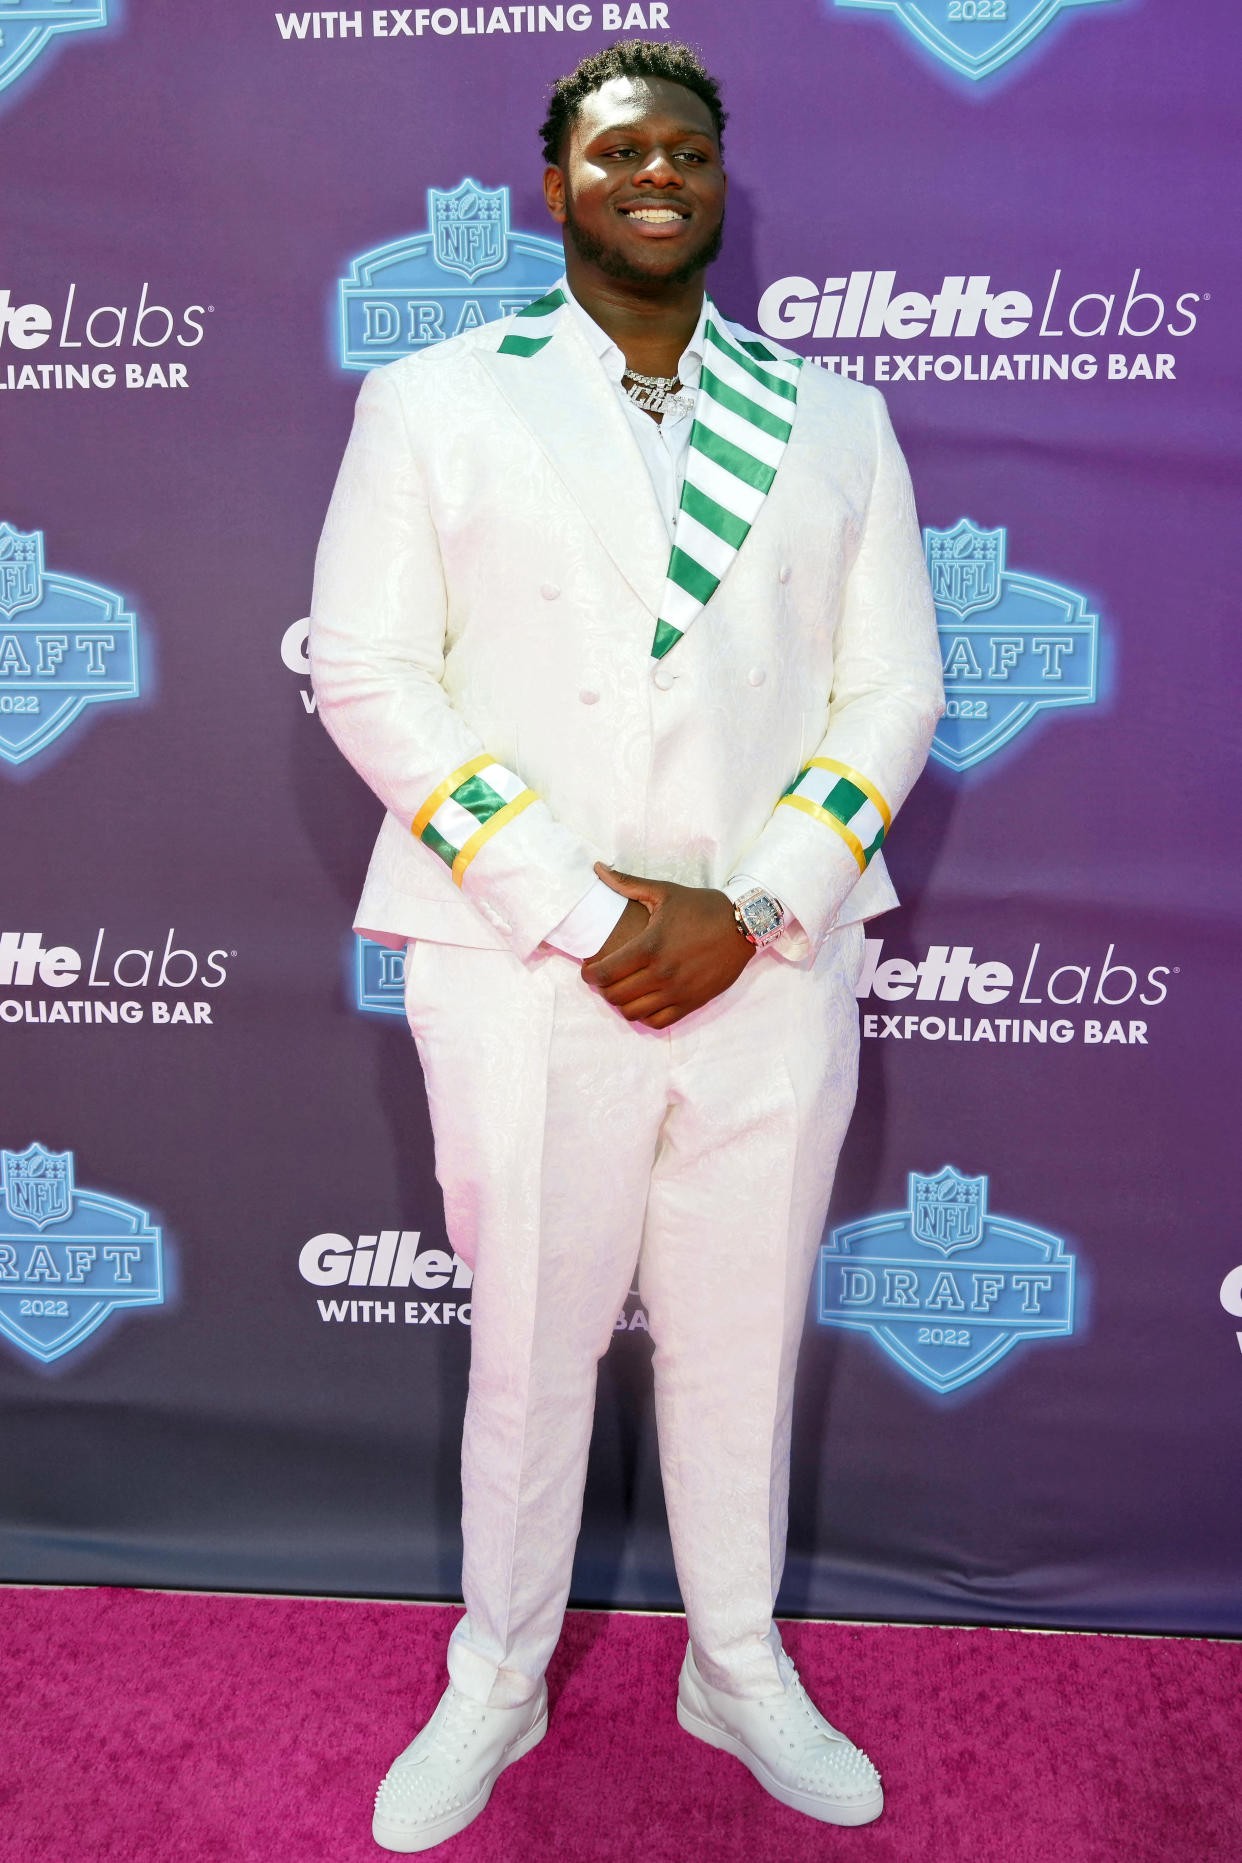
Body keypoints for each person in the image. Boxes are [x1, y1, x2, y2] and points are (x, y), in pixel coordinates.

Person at [310, 38, 944, 1852]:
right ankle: (498, 1673)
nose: (651, 172)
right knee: (528, 1340)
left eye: (683, 148)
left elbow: (894, 680)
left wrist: (755, 907)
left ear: (717, 181)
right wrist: (586, 910)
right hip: (526, 965)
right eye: (614, 152)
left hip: (770, 960)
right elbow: (364, 667)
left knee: (743, 1339)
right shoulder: (438, 396)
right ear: (557, 189)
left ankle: (732, 1663)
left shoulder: (833, 418)